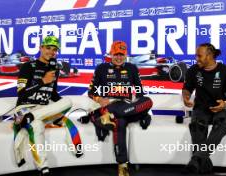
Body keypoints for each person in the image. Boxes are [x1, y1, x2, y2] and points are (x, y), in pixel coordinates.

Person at [13, 36, 82, 176]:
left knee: (68, 101)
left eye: (54, 50)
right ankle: (43, 168)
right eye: (48, 48)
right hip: (24, 108)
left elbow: (53, 94)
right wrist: (43, 81)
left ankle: (30, 118)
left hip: (42, 111)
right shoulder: (28, 66)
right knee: (37, 126)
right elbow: (21, 94)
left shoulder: (54, 69)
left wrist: (63, 107)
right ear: (41, 48)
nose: (51, 52)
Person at [87, 41, 153, 176]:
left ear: (125, 55)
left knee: (148, 101)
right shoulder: (101, 68)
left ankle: (107, 117)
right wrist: (99, 99)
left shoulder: (132, 68)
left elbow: (140, 92)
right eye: (116, 54)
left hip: (128, 106)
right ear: (111, 53)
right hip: (111, 105)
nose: (118, 57)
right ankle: (122, 165)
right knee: (121, 122)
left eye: (121, 54)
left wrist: (142, 110)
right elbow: (91, 91)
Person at [182, 43, 226, 174]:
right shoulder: (193, 70)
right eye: (196, 55)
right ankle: (204, 163)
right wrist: (186, 97)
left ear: (209, 55)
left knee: (223, 124)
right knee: (196, 126)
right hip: (201, 109)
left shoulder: (225, 71)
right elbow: (187, 88)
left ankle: (197, 158)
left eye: (199, 56)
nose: (196, 58)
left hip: (221, 108)